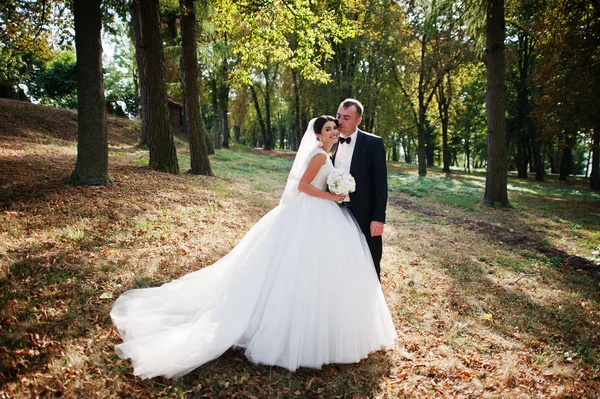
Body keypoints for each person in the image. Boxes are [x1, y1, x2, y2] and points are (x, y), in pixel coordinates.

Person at [110, 116, 396, 380]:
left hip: (323, 213)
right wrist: (331, 196)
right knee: (298, 266)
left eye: (335, 127)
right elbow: (304, 187)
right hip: (312, 212)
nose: (334, 131)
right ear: (319, 135)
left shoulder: (326, 154)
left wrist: (334, 193)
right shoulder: (320, 154)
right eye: (329, 129)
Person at [333, 99, 387, 280]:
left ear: (358, 120)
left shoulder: (373, 143)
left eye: (346, 117)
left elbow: (381, 184)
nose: (340, 121)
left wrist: (378, 218)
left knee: (370, 262)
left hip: (364, 214)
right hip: (333, 213)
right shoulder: (330, 141)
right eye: (339, 116)